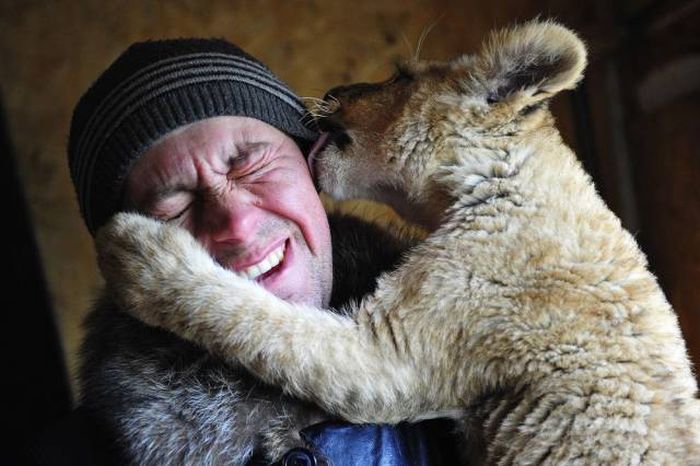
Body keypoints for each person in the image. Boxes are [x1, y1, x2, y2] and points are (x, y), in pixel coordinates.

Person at [63, 38, 459, 465]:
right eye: (175, 206)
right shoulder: (78, 456)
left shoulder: (484, 343)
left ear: (313, 166)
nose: (236, 222)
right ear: (129, 261)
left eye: (250, 165)